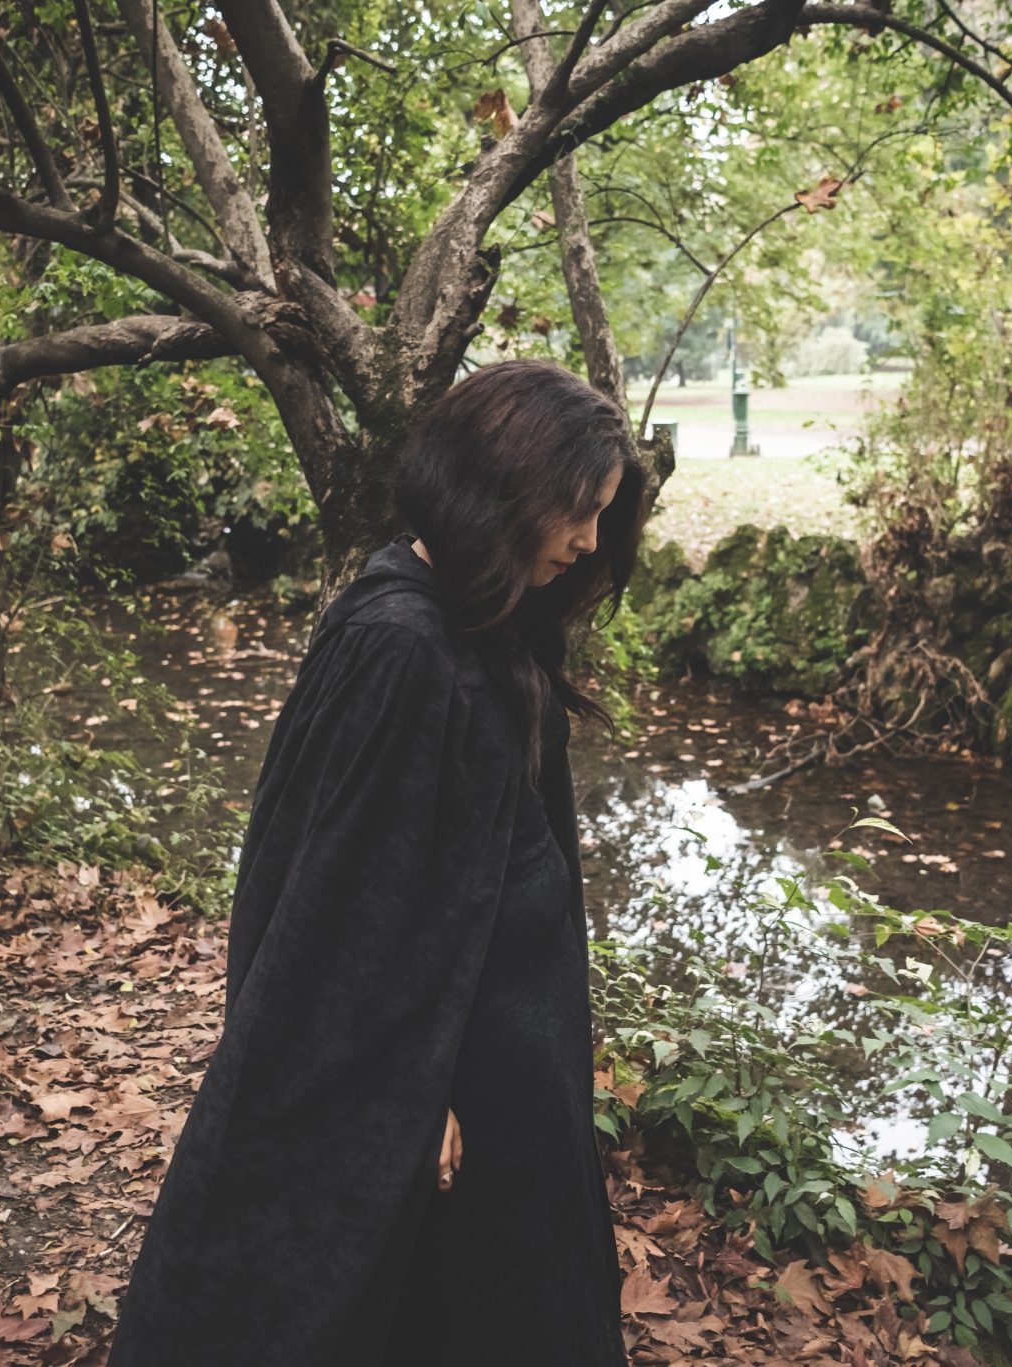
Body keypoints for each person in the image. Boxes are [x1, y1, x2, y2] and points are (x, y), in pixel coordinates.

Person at [105, 358, 647, 1366]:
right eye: (576, 512)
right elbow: (325, 903)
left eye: (600, 516)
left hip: (505, 1068)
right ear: (503, 488)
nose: (584, 542)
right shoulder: (396, 642)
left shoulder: (482, 616)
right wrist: (410, 1086)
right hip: (439, 1089)